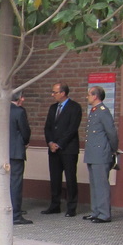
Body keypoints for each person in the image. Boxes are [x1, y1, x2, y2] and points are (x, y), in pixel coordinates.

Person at [41, 83, 82, 217]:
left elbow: (72, 129)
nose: (52, 95)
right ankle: (55, 205)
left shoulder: (75, 107)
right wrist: (50, 143)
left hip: (68, 149)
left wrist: (59, 144)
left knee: (70, 178)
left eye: (55, 92)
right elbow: (48, 127)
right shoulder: (53, 108)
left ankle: (71, 207)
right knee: (55, 178)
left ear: (63, 93)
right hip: (53, 150)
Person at [82, 86, 119, 223]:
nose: (87, 97)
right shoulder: (94, 111)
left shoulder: (103, 112)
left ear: (95, 96)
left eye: (89, 94)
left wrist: (113, 149)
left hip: (101, 153)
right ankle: (95, 211)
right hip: (93, 153)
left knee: (101, 185)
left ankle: (104, 214)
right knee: (94, 184)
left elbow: (112, 133)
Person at [10, 92, 32, 225]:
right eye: (22, 97)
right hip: (16, 152)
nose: (23, 99)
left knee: (5, 183)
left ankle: (4, 212)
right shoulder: (19, 111)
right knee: (16, 183)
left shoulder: (2, 110)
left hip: (3, 152)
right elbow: (25, 131)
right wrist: (25, 142)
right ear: (18, 98)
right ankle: (15, 215)